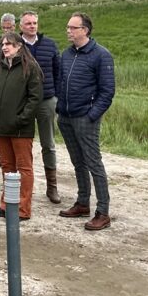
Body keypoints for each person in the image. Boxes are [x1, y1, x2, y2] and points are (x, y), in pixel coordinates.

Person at [56, 12, 116, 230]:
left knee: (93, 162)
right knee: (77, 162)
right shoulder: (66, 54)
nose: (69, 31)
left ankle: (103, 211)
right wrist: (59, 107)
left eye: (73, 28)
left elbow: (107, 91)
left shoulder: (101, 55)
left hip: (86, 118)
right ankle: (82, 203)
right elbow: (60, 82)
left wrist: (92, 115)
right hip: (66, 117)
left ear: (85, 30)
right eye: (68, 27)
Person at [0, 31, 42, 220]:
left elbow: (35, 99)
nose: (4, 47)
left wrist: (22, 119)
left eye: (8, 44)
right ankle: (7, 204)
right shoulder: (1, 67)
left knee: (24, 168)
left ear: (19, 46)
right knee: (7, 167)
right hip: (1, 126)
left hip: (20, 128)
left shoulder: (30, 67)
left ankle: (23, 209)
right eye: (2, 44)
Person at [17, 10, 63, 203]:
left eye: (35, 23)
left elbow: (58, 72)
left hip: (46, 100)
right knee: (22, 145)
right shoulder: (13, 46)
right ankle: (23, 186)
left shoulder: (50, 45)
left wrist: (57, 97)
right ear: (21, 26)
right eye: (28, 23)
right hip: (23, 101)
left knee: (48, 144)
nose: (32, 26)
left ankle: (52, 187)